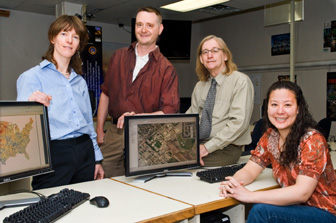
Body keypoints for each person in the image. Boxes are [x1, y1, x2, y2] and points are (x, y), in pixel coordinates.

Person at [219, 81, 336, 223]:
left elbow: (302, 193)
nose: (280, 111)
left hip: (324, 211)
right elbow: (250, 170)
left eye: (287, 105)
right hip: (293, 207)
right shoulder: (270, 136)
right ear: (267, 108)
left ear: (298, 109)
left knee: (261, 212)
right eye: (274, 104)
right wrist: (234, 183)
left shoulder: (312, 140)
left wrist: (249, 196)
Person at [16, 15, 104, 190]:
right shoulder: (31, 77)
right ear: (52, 38)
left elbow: (88, 124)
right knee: (49, 207)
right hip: (55, 153)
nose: (69, 41)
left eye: (75, 37)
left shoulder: (80, 81)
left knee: (84, 203)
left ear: (79, 44)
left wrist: (96, 159)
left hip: (85, 150)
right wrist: (29, 105)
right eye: (64, 34)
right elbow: (20, 128)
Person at [96, 7, 180, 177]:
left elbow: (169, 111)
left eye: (149, 25)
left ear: (160, 29)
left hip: (147, 137)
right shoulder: (118, 57)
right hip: (114, 134)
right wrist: (99, 130)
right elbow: (106, 93)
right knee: (104, 182)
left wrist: (137, 119)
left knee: (141, 187)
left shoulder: (166, 69)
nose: (143, 30)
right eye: (139, 25)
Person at [186, 35, 254, 166]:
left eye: (215, 50)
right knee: (169, 156)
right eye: (205, 52)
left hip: (227, 147)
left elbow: (238, 123)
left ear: (225, 56)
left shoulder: (240, 81)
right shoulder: (200, 86)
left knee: (184, 161)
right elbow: (190, 119)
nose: (209, 55)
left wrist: (206, 148)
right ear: (201, 59)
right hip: (199, 143)